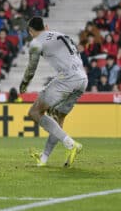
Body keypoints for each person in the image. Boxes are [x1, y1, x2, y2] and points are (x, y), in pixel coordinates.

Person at [19, 17, 88, 168]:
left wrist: (24, 84)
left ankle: (70, 144)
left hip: (66, 79)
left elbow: (31, 69)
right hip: (82, 79)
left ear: (31, 32)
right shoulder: (60, 35)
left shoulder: (36, 42)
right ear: (46, 26)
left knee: (35, 112)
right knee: (57, 119)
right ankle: (43, 159)